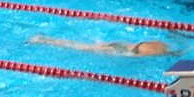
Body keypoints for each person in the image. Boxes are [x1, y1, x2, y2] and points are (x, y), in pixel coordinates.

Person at [29, 34, 174, 59]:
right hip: (123, 50)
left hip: (127, 47)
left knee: (85, 46)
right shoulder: (166, 49)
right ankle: (45, 40)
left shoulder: (164, 46)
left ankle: (45, 39)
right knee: (82, 47)